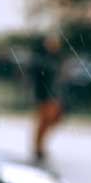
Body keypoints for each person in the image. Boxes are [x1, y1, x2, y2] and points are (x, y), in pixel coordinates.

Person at [30, 31, 66, 162]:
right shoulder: (42, 59)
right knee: (44, 121)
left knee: (52, 119)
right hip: (45, 95)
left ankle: (39, 146)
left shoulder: (56, 58)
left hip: (54, 95)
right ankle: (38, 147)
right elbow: (39, 78)